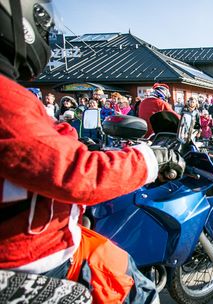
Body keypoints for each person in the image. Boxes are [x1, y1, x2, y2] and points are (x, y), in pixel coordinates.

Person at [0, 1, 185, 302]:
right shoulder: (7, 99)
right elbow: (77, 174)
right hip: (34, 262)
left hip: (40, 243)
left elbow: (32, 152)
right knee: (139, 289)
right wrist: (150, 158)